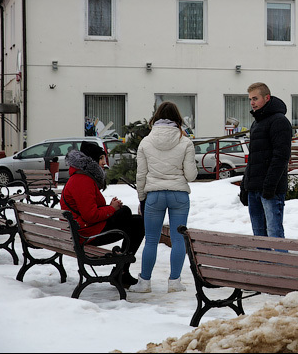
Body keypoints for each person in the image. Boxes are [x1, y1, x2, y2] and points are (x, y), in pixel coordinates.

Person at [131, 101, 198, 293]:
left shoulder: (146, 142)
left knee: (151, 240)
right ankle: (175, 282)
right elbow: (191, 175)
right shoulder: (185, 142)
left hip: (154, 195)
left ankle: (144, 282)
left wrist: (142, 197)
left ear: (156, 118)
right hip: (179, 196)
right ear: (178, 119)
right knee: (178, 240)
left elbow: (141, 175)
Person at [61, 141, 143, 287]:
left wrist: (111, 207)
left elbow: (89, 210)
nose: (104, 163)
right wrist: (112, 209)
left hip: (83, 229)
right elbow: (90, 215)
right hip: (86, 234)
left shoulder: (82, 177)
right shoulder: (82, 180)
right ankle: (121, 271)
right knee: (131, 218)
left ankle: (122, 271)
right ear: (91, 161)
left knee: (136, 221)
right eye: (101, 159)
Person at [239, 82, 292, 238]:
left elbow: (281, 156)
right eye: (250, 99)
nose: (252, 103)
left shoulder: (279, 121)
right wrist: (245, 185)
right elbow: (253, 159)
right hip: (254, 189)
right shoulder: (257, 123)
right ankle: (263, 262)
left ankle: (280, 262)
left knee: (274, 233)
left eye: (255, 98)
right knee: (259, 235)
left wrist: (270, 186)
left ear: (267, 98)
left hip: (271, 190)